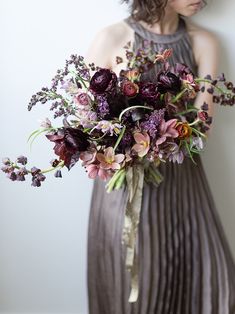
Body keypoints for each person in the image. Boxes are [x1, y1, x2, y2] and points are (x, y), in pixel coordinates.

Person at [85, 1, 235, 313]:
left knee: (212, 282)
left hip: (184, 188)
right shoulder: (111, 38)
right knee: (137, 293)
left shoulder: (203, 41)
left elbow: (201, 129)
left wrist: (156, 136)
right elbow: (89, 124)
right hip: (125, 194)